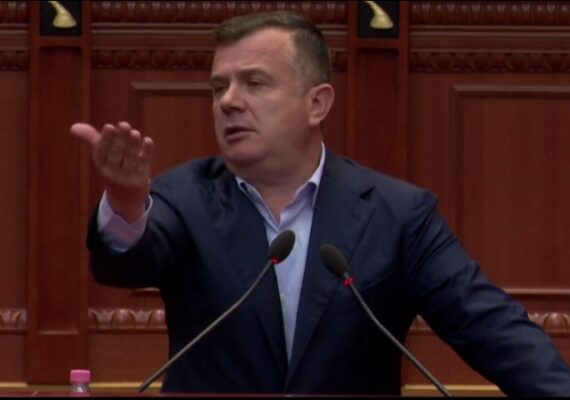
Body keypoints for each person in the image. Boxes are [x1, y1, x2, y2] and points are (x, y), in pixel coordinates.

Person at [71, 10, 570, 396]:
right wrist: (127, 204)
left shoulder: (397, 214)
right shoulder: (183, 197)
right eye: (219, 86)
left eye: (254, 83)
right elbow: (126, 264)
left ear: (317, 103)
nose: (228, 101)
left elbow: (491, 328)